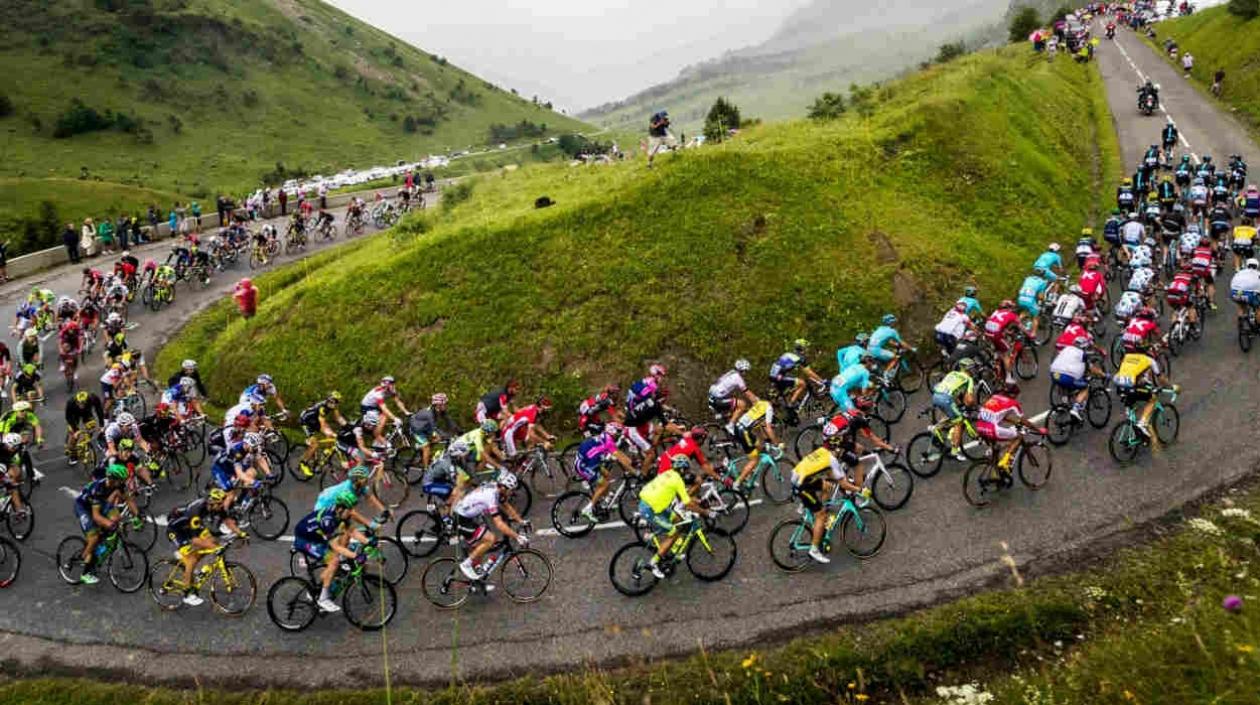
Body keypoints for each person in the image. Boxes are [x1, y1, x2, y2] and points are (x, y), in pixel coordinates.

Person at [790, 427, 868, 564]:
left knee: (827, 486)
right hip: (802, 484)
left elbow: (830, 474)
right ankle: (814, 550)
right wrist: (859, 490)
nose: (842, 450)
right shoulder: (832, 459)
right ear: (836, 447)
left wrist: (844, 481)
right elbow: (843, 484)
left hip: (798, 475)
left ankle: (808, 505)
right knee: (821, 515)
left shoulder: (823, 451)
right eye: (840, 448)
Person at [292, 491, 370, 613]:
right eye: (349, 510)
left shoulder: (341, 514)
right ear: (340, 509)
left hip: (316, 536)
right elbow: (336, 547)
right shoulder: (328, 520)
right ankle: (322, 599)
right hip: (304, 540)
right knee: (334, 559)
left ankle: (316, 590)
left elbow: (351, 531)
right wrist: (356, 556)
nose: (351, 512)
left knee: (339, 550)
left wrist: (368, 541)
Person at [163, 489, 241, 606]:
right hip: (176, 531)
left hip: (190, 526)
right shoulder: (197, 511)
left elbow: (227, 520)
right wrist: (215, 548)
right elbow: (195, 540)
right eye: (219, 504)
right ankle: (187, 593)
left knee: (213, 542)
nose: (221, 506)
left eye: (222, 503)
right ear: (211, 503)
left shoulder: (216, 506)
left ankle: (190, 567)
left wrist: (241, 533)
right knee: (191, 559)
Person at [638, 455, 709, 577]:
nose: (687, 472)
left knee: (678, 519)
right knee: (673, 532)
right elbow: (687, 503)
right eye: (686, 470)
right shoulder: (677, 480)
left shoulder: (668, 473)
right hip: (650, 509)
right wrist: (705, 512)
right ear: (682, 469)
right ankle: (653, 563)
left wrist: (697, 502)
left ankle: (673, 550)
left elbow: (682, 498)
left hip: (653, 505)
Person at [452, 472, 529, 581]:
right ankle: (466, 564)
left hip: (471, 516)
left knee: (483, 541)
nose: (511, 493)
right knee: (490, 539)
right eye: (510, 490)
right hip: (461, 519)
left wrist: (521, 521)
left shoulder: (497, 489)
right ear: (503, 487)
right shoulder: (491, 496)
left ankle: (476, 571)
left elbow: (506, 506)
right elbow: (498, 523)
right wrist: (517, 536)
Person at [72, 463, 128, 585]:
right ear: (113, 479)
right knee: (94, 537)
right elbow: (96, 516)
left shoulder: (117, 485)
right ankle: (85, 570)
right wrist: (109, 524)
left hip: (100, 503)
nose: (123, 482)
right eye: (121, 480)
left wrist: (137, 516)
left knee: (115, 518)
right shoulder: (98, 488)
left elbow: (127, 499)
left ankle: (99, 547)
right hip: (83, 507)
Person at [571, 423, 635, 522]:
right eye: (618, 433)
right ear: (612, 432)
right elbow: (620, 457)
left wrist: (629, 462)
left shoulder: (605, 436)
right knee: (604, 485)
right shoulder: (609, 441)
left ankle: (604, 503)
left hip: (590, 462)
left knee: (607, 476)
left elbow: (617, 454)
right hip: (584, 466)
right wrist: (634, 471)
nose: (618, 436)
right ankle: (588, 509)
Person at [976, 383, 1045, 472]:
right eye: (1016, 396)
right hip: (991, 428)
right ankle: (1005, 462)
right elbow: (1025, 422)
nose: (1017, 398)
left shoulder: (995, 397)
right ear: (1013, 395)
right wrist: (1038, 430)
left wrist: (1015, 422)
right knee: (1019, 437)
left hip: (979, 426)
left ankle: (996, 470)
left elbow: (1002, 416)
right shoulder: (1013, 403)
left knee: (996, 450)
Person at [1113, 350, 1174, 438]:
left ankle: (1130, 419)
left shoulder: (1128, 356)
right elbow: (1161, 378)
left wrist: (1142, 382)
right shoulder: (1150, 360)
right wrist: (1171, 387)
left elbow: (1131, 373)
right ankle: (1142, 424)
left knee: (1131, 398)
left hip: (1119, 385)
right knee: (1152, 399)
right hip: (1131, 386)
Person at [932, 358, 978, 460]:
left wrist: (960, 404)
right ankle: (954, 452)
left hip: (936, 395)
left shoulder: (952, 373)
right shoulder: (968, 379)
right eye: (973, 368)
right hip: (946, 399)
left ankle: (937, 428)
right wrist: (975, 406)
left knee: (952, 414)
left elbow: (954, 391)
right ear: (969, 369)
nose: (974, 371)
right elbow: (970, 399)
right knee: (959, 421)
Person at [1050, 336, 1105, 421]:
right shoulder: (1081, 353)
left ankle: (1065, 402)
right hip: (1066, 376)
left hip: (1053, 373)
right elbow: (1091, 368)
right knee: (1085, 387)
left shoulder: (1067, 348)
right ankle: (1075, 409)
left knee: (1065, 383)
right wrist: (1103, 375)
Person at [707, 360, 757, 433]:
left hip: (712, 396)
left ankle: (722, 415)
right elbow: (747, 392)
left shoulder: (731, 372)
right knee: (742, 404)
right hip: (717, 399)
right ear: (742, 370)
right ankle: (730, 426)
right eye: (745, 371)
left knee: (734, 402)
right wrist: (756, 400)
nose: (746, 373)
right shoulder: (738, 378)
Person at [359, 375, 409, 446]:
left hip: (375, 406)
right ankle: (377, 436)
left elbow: (398, 401)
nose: (394, 386)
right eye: (392, 384)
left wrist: (406, 412)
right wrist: (395, 418)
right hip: (367, 407)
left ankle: (380, 436)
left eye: (393, 384)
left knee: (384, 419)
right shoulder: (378, 394)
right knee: (385, 416)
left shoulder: (391, 390)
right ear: (387, 385)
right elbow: (384, 408)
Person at [1230, 258, 1260, 330]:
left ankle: (1240, 318)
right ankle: (1258, 326)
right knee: (1258, 308)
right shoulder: (1258, 274)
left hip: (1235, 293)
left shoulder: (1240, 272)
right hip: (1248, 294)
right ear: (1257, 266)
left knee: (1241, 306)